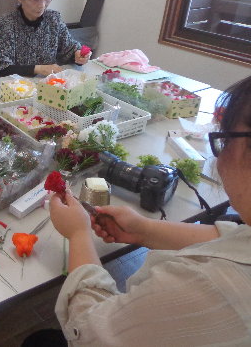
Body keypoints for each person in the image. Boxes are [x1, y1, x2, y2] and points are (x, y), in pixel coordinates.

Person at [46, 75, 251, 346]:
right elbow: (233, 240)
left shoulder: (209, 288)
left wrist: (78, 235)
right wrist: (144, 229)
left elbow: (89, 331)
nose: (219, 157)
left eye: (224, 141)